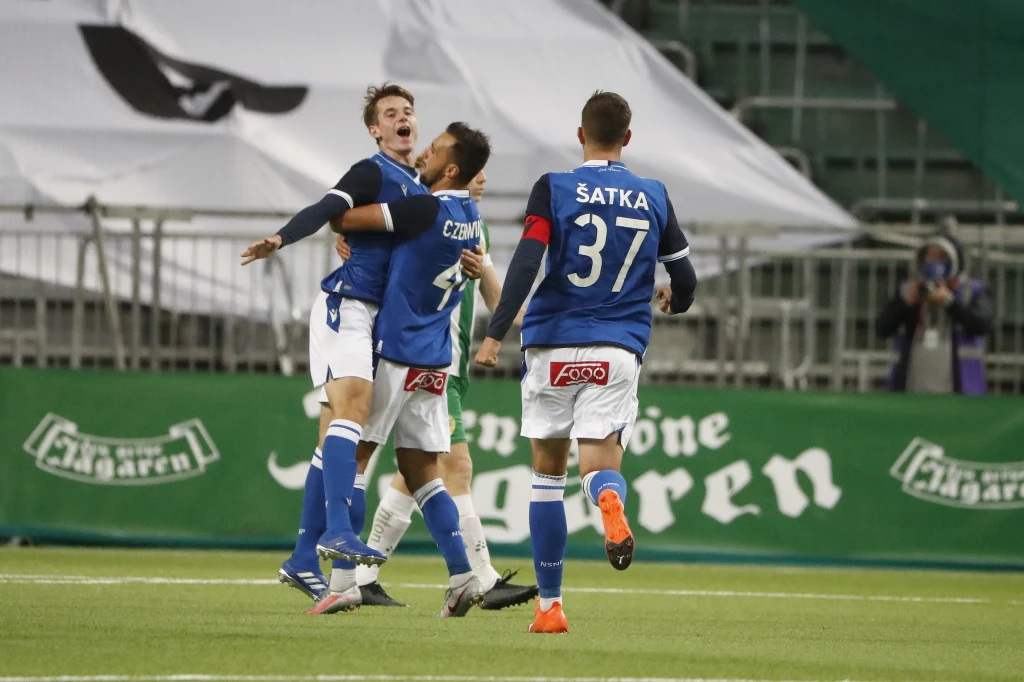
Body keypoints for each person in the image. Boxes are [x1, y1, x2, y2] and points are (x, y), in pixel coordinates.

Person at [240, 83, 482, 602]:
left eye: (409, 112)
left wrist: (351, 229)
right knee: (352, 419)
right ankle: (336, 535)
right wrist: (283, 238)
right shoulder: (373, 172)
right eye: (391, 113)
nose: (404, 119)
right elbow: (333, 207)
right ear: (376, 130)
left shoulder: (422, 193)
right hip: (347, 306)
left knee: (337, 438)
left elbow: (366, 222)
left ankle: (305, 560)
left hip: (382, 325)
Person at [475, 91, 697, 633]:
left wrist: (495, 332)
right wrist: (675, 299)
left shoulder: (555, 187)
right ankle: (609, 506)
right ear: (627, 137)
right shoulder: (653, 194)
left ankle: (550, 607)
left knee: (547, 478)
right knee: (600, 466)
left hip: (551, 345)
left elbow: (528, 261)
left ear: (580, 135)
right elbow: (685, 280)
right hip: (616, 348)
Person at [305, 122, 493, 617]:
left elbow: (347, 214)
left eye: (434, 151)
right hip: (435, 360)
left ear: (451, 168)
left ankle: (344, 582)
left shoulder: (424, 209)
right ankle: (462, 576)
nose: (423, 155)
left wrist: (342, 231)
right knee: (423, 473)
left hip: (397, 350)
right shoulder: (471, 216)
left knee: (358, 458)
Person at [352, 170, 539, 610]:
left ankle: (363, 574)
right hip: (423, 360)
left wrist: (546, 322)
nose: (485, 177)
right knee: (456, 469)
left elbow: (497, 298)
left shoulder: (477, 227)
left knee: (417, 473)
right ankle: (482, 577)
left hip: (448, 368)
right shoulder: (422, 216)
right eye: (474, 168)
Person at [875, 229, 992, 395]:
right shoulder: (907, 290)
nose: (936, 262)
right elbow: (882, 328)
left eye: (943, 257)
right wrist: (904, 302)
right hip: (912, 386)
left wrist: (950, 303)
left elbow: (982, 324)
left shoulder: (972, 291)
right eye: (931, 256)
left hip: (962, 388)